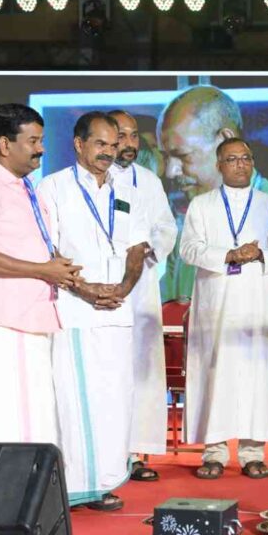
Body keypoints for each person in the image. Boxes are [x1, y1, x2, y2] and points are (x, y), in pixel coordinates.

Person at [38, 112, 150, 512]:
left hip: (118, 309)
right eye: (100, 144)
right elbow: (48, 250)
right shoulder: (53, 187)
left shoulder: (128, 190)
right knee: (75, 400)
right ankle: (73, 486)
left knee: (114, 398)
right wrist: (85, 289)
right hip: (74, 310)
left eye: (113, 144)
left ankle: (103, 481)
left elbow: (137, 248)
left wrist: (123, 288)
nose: (108, 152)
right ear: (79, 144)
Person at [0, 103, 80, 444]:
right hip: (0, 323)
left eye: (42, 140)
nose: (42, 149)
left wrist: (62, 269)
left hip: (33, 319)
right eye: (33, 141)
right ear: (4, 145)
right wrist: (43, 270)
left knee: (36, 422)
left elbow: (34, 248)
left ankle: (31, 480)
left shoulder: (26, 189)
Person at [180, 138, 268, 480]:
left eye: (246, 158)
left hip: (259, 301)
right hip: (217, 302)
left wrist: (259, 254)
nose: (240, 164)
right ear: (219, 165)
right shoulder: (201, 204)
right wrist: (229, 255)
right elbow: (188, 249)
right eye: (232, 159)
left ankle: (253, 452)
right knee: (215, 374)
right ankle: (213, 452)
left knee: (258, 377)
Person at [156, 85, 268, 301]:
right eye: (166, 157)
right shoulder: (189, 221)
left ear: (225, 140)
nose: (171, 171)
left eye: (183, 155)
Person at [108, 110, 178, 482]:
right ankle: (102, 452)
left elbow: (166, 227)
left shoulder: (149, 181)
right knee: (105, 368)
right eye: (121, 135)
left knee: (138, 367)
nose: (129, 143)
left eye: (134, 135)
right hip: (98, 288)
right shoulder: (85, 180)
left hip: (141, 287)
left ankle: (134, 453)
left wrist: (148, 248)